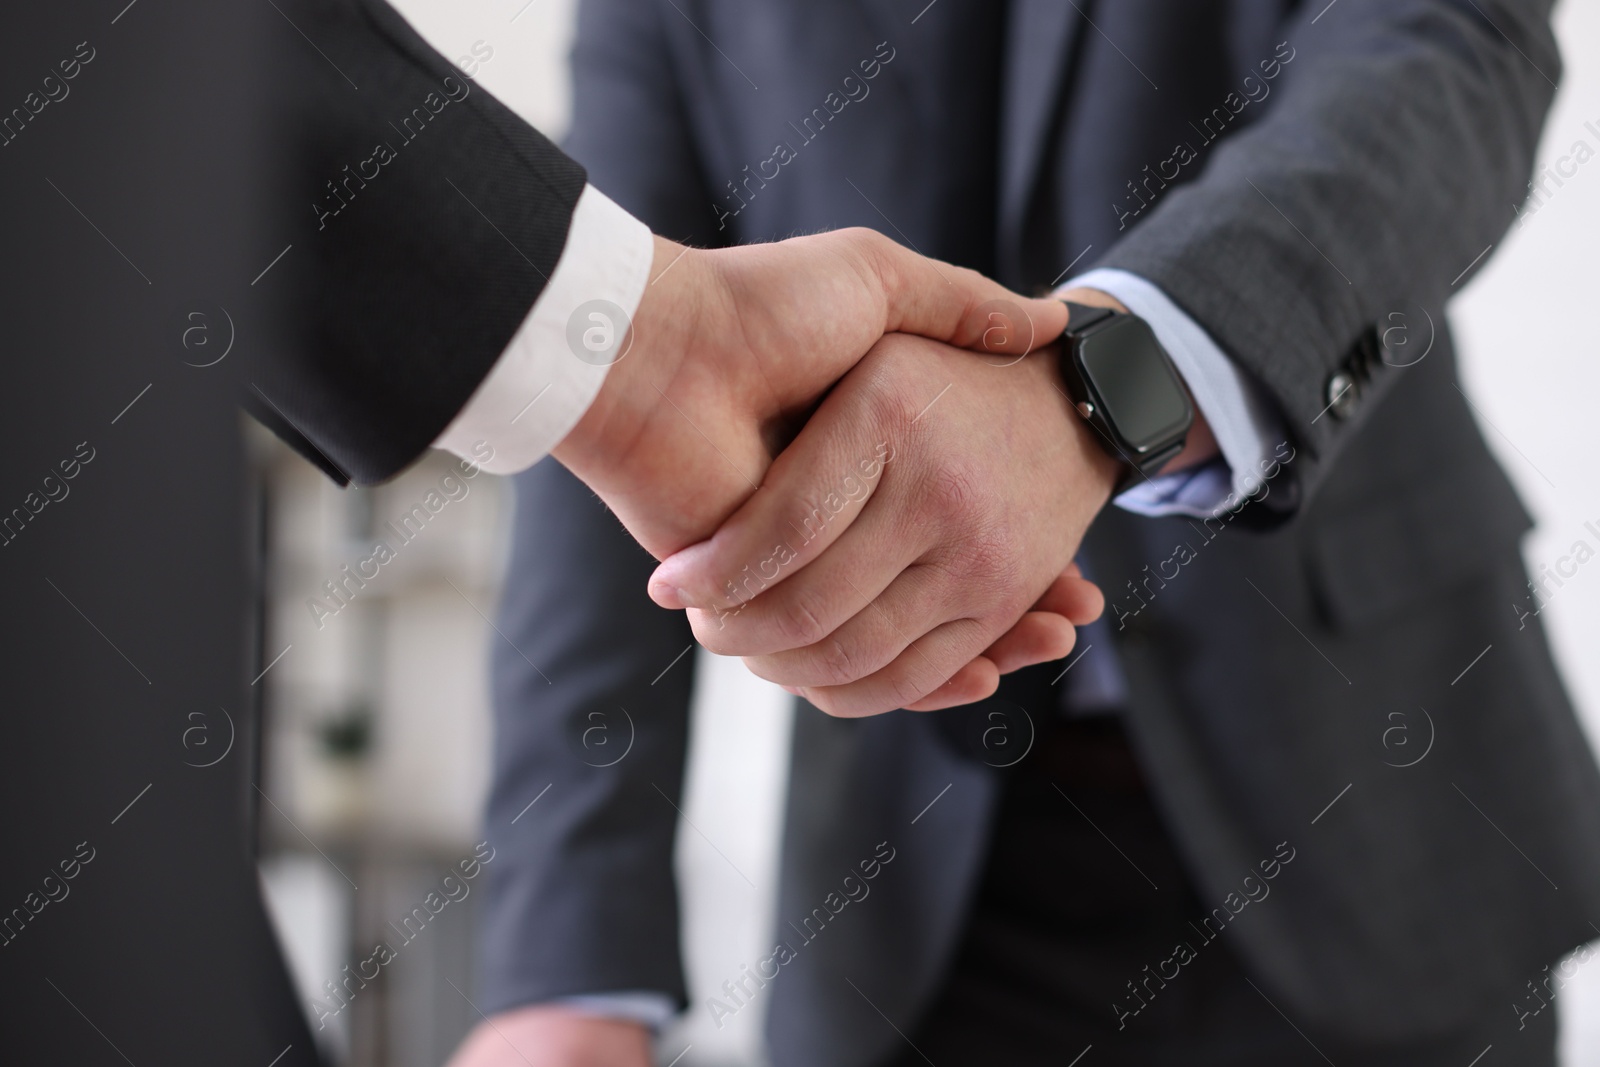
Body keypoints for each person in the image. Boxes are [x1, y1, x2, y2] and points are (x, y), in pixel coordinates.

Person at [452, 0, 1600, 1065]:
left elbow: (1448, 42)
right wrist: (572, 967)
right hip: (913, 891)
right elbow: (613, 390)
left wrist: (1098, 391)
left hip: (1375, 809)